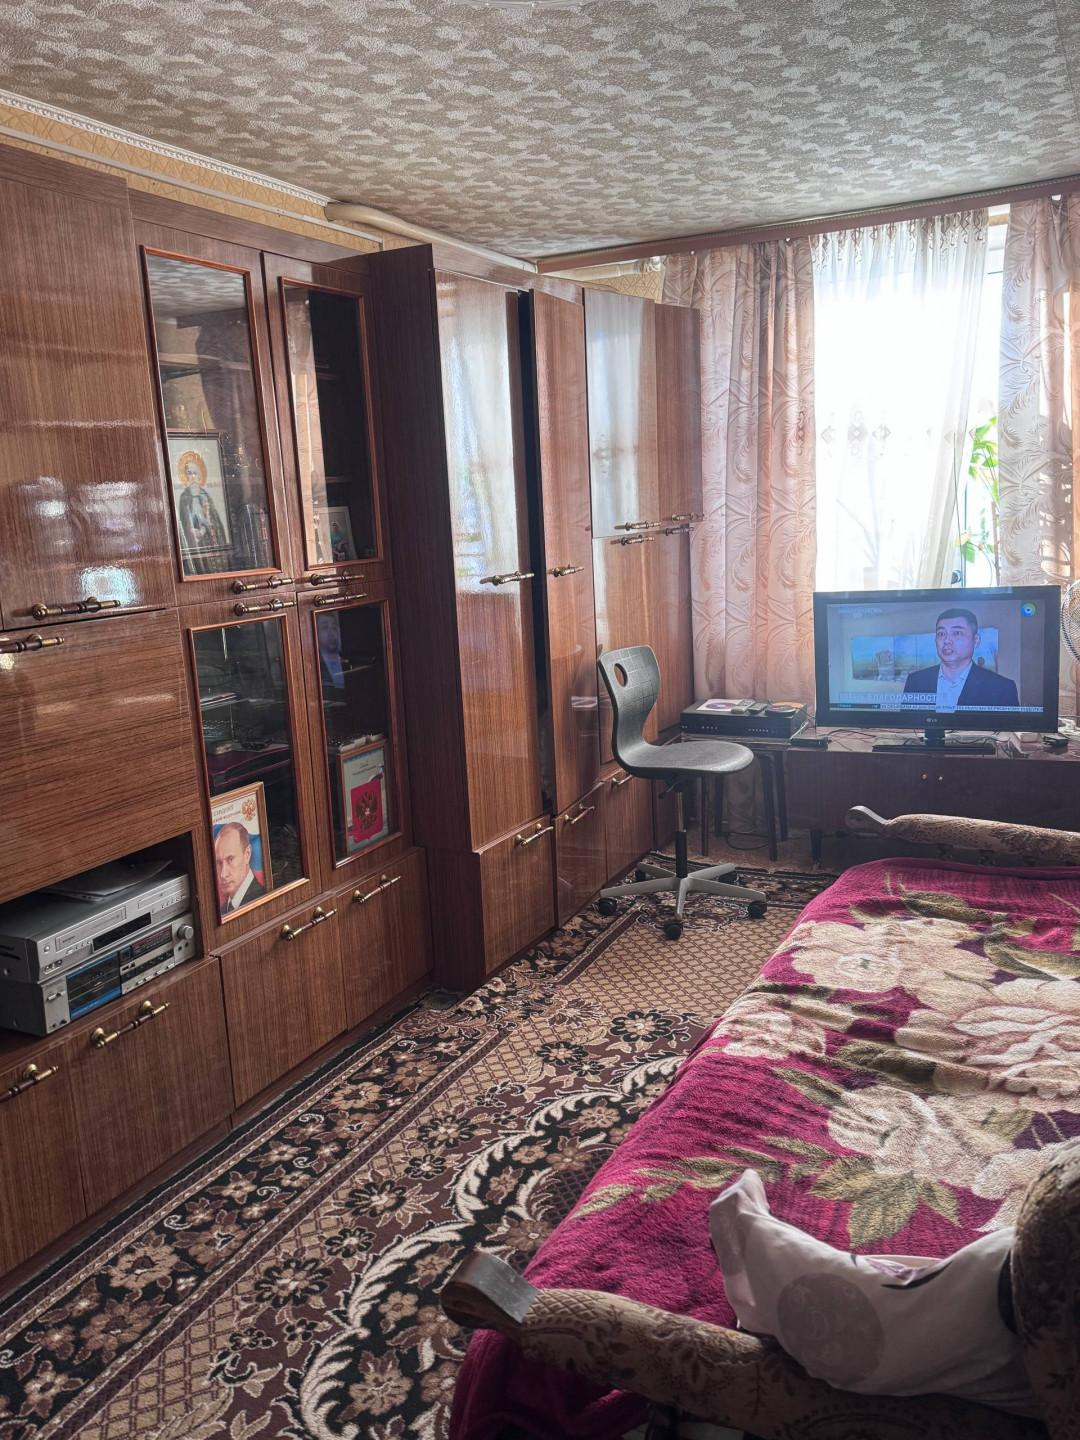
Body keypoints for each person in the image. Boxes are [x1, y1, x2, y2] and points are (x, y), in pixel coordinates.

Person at [902, 608, 1019, 711]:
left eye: (957, 633)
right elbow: (907, 725)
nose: (947, 640)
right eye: (941, 634)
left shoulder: (1002, 687)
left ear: (976, 640)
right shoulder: (916, 681)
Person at [215, 821, 266, 913]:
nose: (223, 874)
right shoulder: (222, 911)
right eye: (219, 863)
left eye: (230, 859)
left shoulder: (262, 898)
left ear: (247, 854)